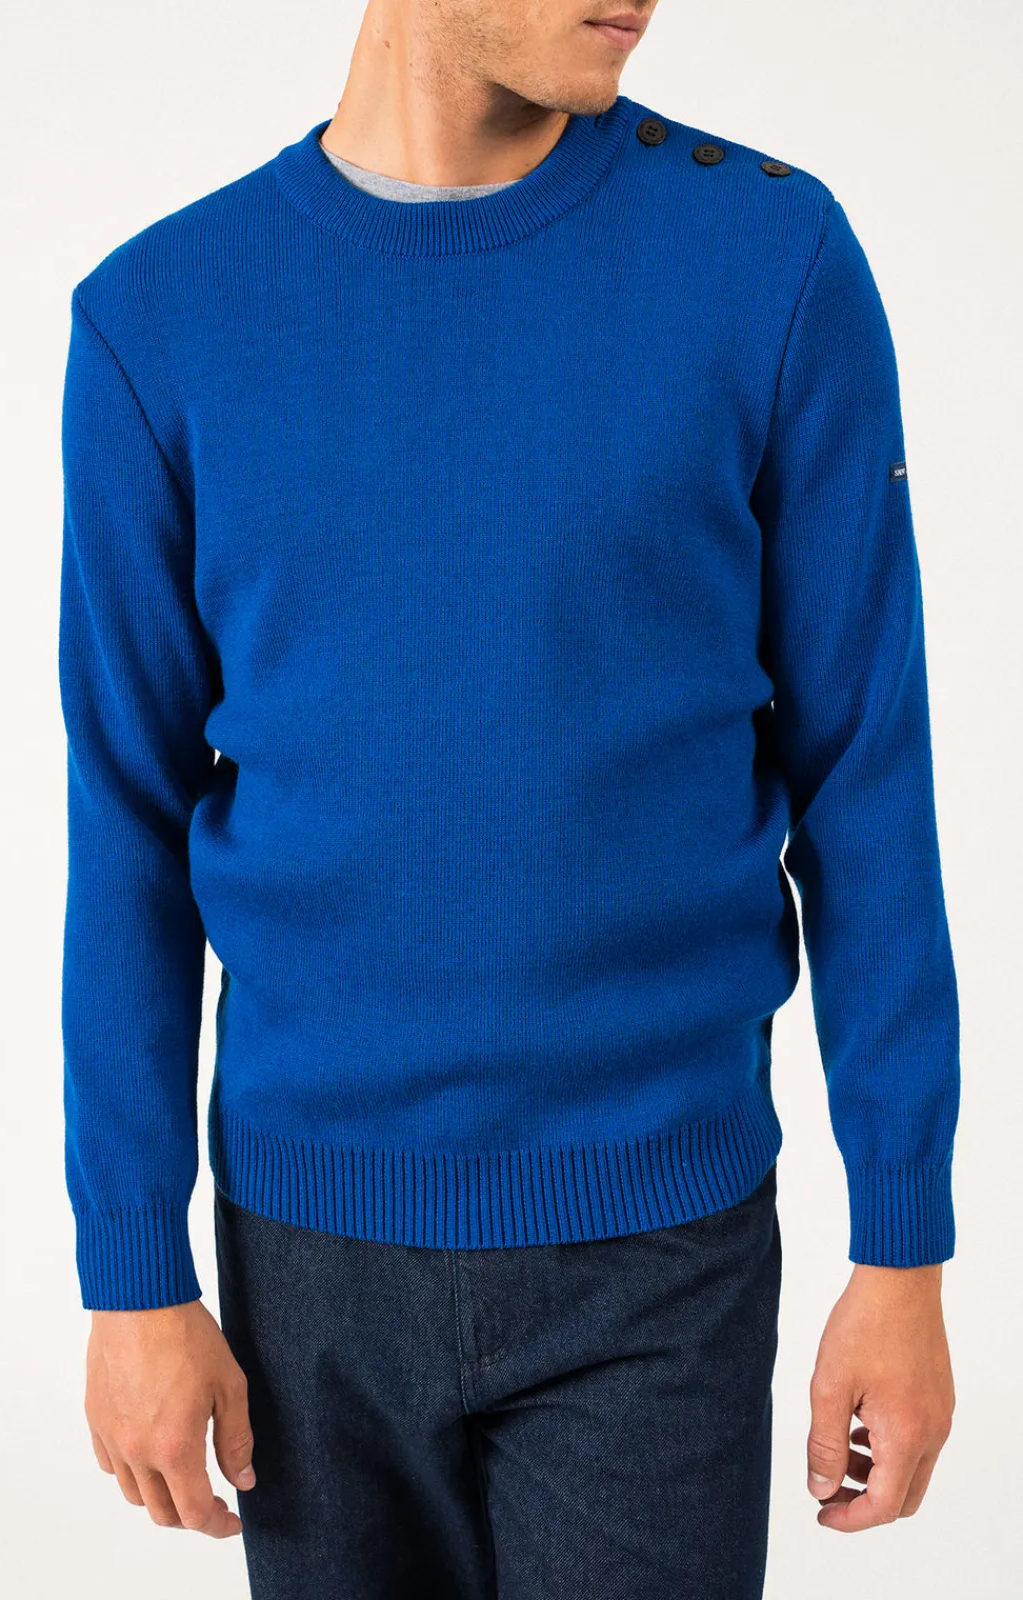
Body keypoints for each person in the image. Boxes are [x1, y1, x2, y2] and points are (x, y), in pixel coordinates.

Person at [57, 3, 961, 1595]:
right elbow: (127, 819)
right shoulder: (162, 317)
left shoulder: (770, 260)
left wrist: (903, 1244)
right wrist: (132, 1267)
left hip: (660, 1252)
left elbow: (866, 773)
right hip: (308, 1265)